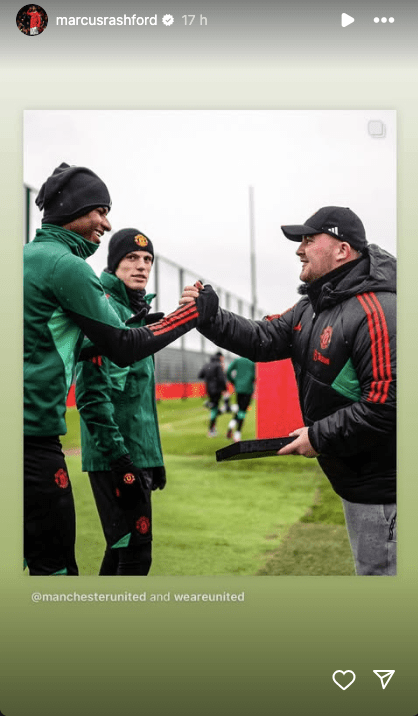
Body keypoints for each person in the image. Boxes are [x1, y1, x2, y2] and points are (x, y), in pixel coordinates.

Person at [181, 206, 396, 576]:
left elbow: (388, 405)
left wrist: (317, 435)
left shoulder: (379, 309)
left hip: (385, 489)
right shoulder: (311, 306)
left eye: (309, 240)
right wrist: (209, 316)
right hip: (357, 479)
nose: (300, 248)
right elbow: (263, 339)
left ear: (342, 250)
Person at [24, 162, 214, 576]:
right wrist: (190, 315)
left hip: (33, 438)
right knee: (61, 570)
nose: (106, 223)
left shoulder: (31, 260)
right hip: (32, 440)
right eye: (100, 211)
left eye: (147, 257)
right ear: (75, 206)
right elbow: (119, 353)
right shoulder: (67, 268)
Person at [75, 228, 166, 575]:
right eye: (131, 258)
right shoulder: (104, 310)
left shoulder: (136, 314)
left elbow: (138, 402)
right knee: (134, 556)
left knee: (121, 553)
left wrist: (151, 459)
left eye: (147, 259)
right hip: (115, 459)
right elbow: (92, 398)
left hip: (134, 455)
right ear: (113, 265)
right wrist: (122, 460)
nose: (141, 266)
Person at [226, 356, 256, 442]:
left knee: (239, 410)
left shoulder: (237, 361)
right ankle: (237, 434)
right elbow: (254, 377)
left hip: (239, 389)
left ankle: (231, 425)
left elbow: (228, 372)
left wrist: (234, 381)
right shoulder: (252, 362)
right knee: (242, 412)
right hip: (248, 390)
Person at [198, 352, 227, 437]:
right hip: (217, 390)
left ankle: (212, 428)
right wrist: (225, 389)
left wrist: (209, 377)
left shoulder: (207, 365)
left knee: (214, 408)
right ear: (219, 357)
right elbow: (222, 379)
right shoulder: (218, 366)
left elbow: (200, 375)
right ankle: (211, 430)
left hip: (209, 390)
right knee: (215, 409)